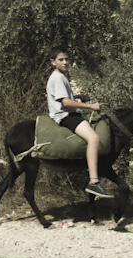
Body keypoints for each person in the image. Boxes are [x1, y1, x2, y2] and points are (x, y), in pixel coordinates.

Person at [46, 46, 115, 198]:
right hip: (66, 116)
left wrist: (77, 96)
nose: (65, 62)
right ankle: (94, 182)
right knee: (94, 138)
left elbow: (61, 97)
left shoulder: (60, 76)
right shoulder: (58, 78)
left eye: (66, 59)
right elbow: (65, 102)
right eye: (60, 60)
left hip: (67, 114)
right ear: (53, 62)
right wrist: (91, 106)